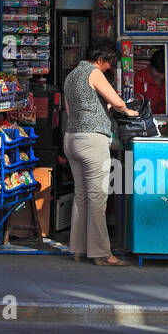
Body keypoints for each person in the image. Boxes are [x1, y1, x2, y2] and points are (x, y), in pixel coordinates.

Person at [62, 38, 135, 266]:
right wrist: (129, 112)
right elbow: (116, 101)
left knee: (81, 196)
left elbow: (70, 109)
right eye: (108, 64)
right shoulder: (93, 72)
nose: (109, 68)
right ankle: (102, 253)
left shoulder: (71, 76)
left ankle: (78, 249)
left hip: (72, 138)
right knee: (97, 197)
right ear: (101, 59)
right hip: (92, 140)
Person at [132, 48, 167, 115]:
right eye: (158, 71)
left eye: (163, 72)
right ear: (150, 66)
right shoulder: (140, 77)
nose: (161, 76)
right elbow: (138, 104)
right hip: (147, 116)